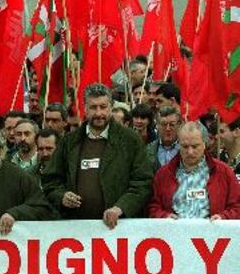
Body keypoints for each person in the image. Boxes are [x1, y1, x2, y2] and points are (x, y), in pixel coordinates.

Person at [42, 84, 152, 229]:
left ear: (111, 107)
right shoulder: (69, 142)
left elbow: (143, 182)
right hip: (77, 229)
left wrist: (121, 208)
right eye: (93, 107)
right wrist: (62, 196)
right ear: (85, 109)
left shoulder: (130, 140)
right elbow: (51, 181)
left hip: (120, 228)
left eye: (103, 106)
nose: (98, 113)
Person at [148, 121, 240, 219]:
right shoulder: (163, 174)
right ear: (178, 144)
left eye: (195, 146)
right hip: (175, 231)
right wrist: (164, 216)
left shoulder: (224, 172)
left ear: (204, 144)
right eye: (185, 146)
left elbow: (237, 206)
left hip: (211, 232)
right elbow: (153, 207)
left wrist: (223, 217)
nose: (190, 152)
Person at [147, 106, 181, 172]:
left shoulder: (186, 149)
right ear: (157, 126)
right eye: (164, 124)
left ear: (178, 125)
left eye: (172, 124)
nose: (168, 128)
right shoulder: (148, 150)